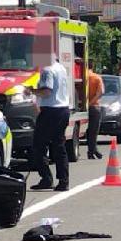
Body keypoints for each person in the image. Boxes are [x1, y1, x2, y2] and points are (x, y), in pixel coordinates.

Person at [26, 55, 72, 191]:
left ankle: (46, 177)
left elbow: (47, 91)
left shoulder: (47, 70)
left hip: (51, 111)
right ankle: (63, 180)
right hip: (63, 109)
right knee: (59, 146)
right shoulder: (61, 68)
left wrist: (32, 91)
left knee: (38, 145)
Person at [85, 67, 105, 159]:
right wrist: (90, 103)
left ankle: (93, 150)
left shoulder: (82, 76)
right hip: (94, 107)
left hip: (81, 108)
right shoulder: (96, 78)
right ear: (92, 67)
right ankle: (92, 150)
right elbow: (100, 92)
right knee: (93, 131)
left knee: (86, 130)